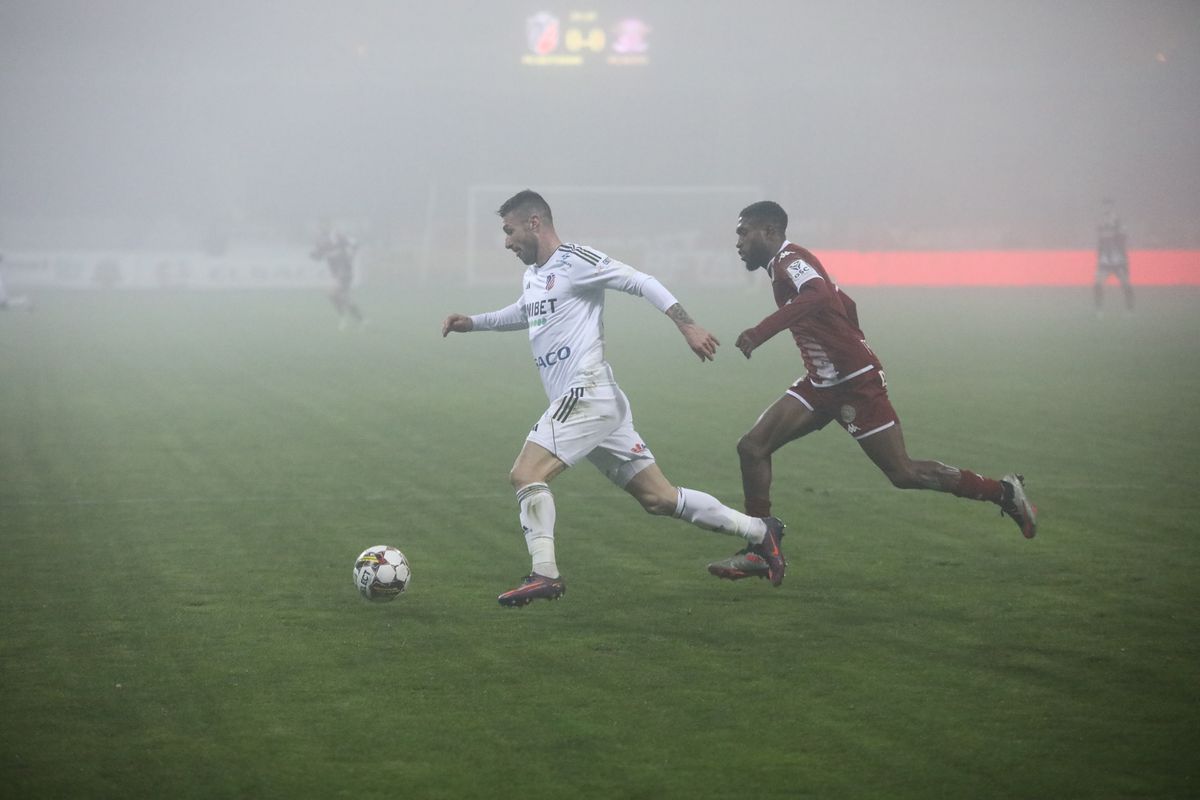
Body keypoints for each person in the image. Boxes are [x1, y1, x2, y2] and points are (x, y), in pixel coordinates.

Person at [441, 189, 786, 606]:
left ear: (534, 223)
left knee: (525, 473)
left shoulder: (577, 261)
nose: (507, 242)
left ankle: (544, 574)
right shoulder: (534, 275)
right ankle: (760, 531)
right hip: (601, 407)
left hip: (586, 394)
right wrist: (472, 324)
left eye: (509, 231)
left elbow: (641, 281)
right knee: (660, 499)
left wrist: (688, 326)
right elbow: (526, 311)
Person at [706, 201, 1037, 582]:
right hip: (820, 382)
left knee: (903, 472)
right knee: (752, 447)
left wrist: (760, 332)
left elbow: (818, 294)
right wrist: (849, 339)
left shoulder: (790, 260)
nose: (738, 241)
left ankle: (1003, 492)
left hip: (853, 385)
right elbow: (845, 301)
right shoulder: (784, 266)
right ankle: (761, 547)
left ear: (769, 231)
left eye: (743, 232)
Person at [310, 226, 365, 329]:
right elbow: (318, 257)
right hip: (336, 273)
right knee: (343, 298)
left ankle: (344, 318)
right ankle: (360, 319)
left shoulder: (338, 237)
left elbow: (355, 243)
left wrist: (351, 255)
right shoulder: (322, 244)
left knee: (333, 293)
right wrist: (314, 256)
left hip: (344, 271)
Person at [1094, 197, 1133, 316]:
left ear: (1112, 207)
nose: (1106, 208)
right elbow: (1100, 240)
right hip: (1105, 259)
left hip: (1118, 259)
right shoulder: (1100, 221)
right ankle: (1099, 310)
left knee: (1125, 283)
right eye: (1104, 206)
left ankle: (1129, 310)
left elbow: (1123, 238)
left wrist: (1124, 256)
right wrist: (1099, 255)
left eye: (1108, 205)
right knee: (1098, 283)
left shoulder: (1118, 220)